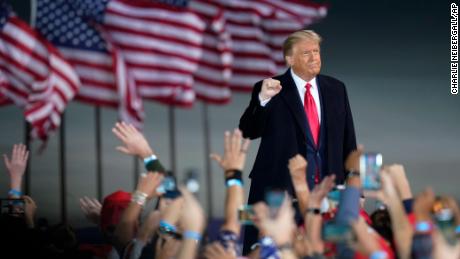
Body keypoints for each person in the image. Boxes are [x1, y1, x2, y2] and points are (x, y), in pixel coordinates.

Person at [239, 29, 357, 253]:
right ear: (289, 59)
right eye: (306, 53)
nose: (314, 58)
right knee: (274, 252)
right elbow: (249, 130)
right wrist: (262, 100)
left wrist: (354, 190)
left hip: (327, 194)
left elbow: (348, 142)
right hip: (281, 194)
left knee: (326, 251)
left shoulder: (336, 89)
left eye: (316, 51)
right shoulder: (271, 88)